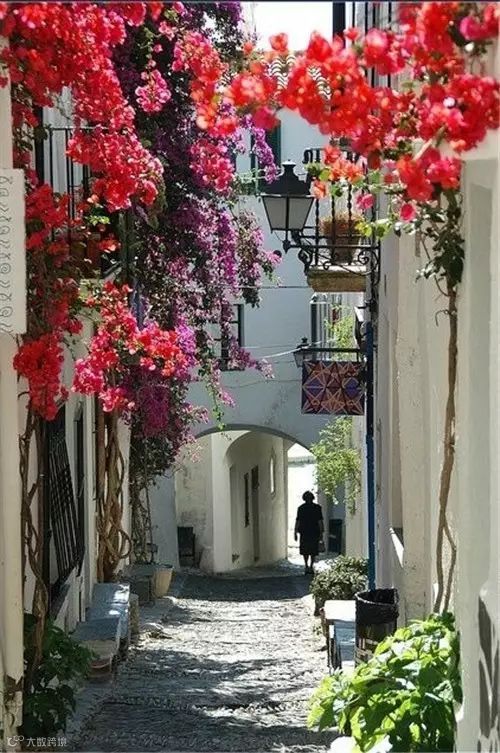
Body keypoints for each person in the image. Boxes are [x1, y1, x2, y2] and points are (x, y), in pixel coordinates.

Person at [294, 491, 324, 575]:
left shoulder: (301, 508)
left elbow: (298, 520)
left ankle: (306, 565)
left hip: (304, 531)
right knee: (313, 550)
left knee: (305, 550)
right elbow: (320, 521)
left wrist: (295, 531)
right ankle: (310, 566)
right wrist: (321, 531)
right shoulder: (317, 508)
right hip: (314, 531)